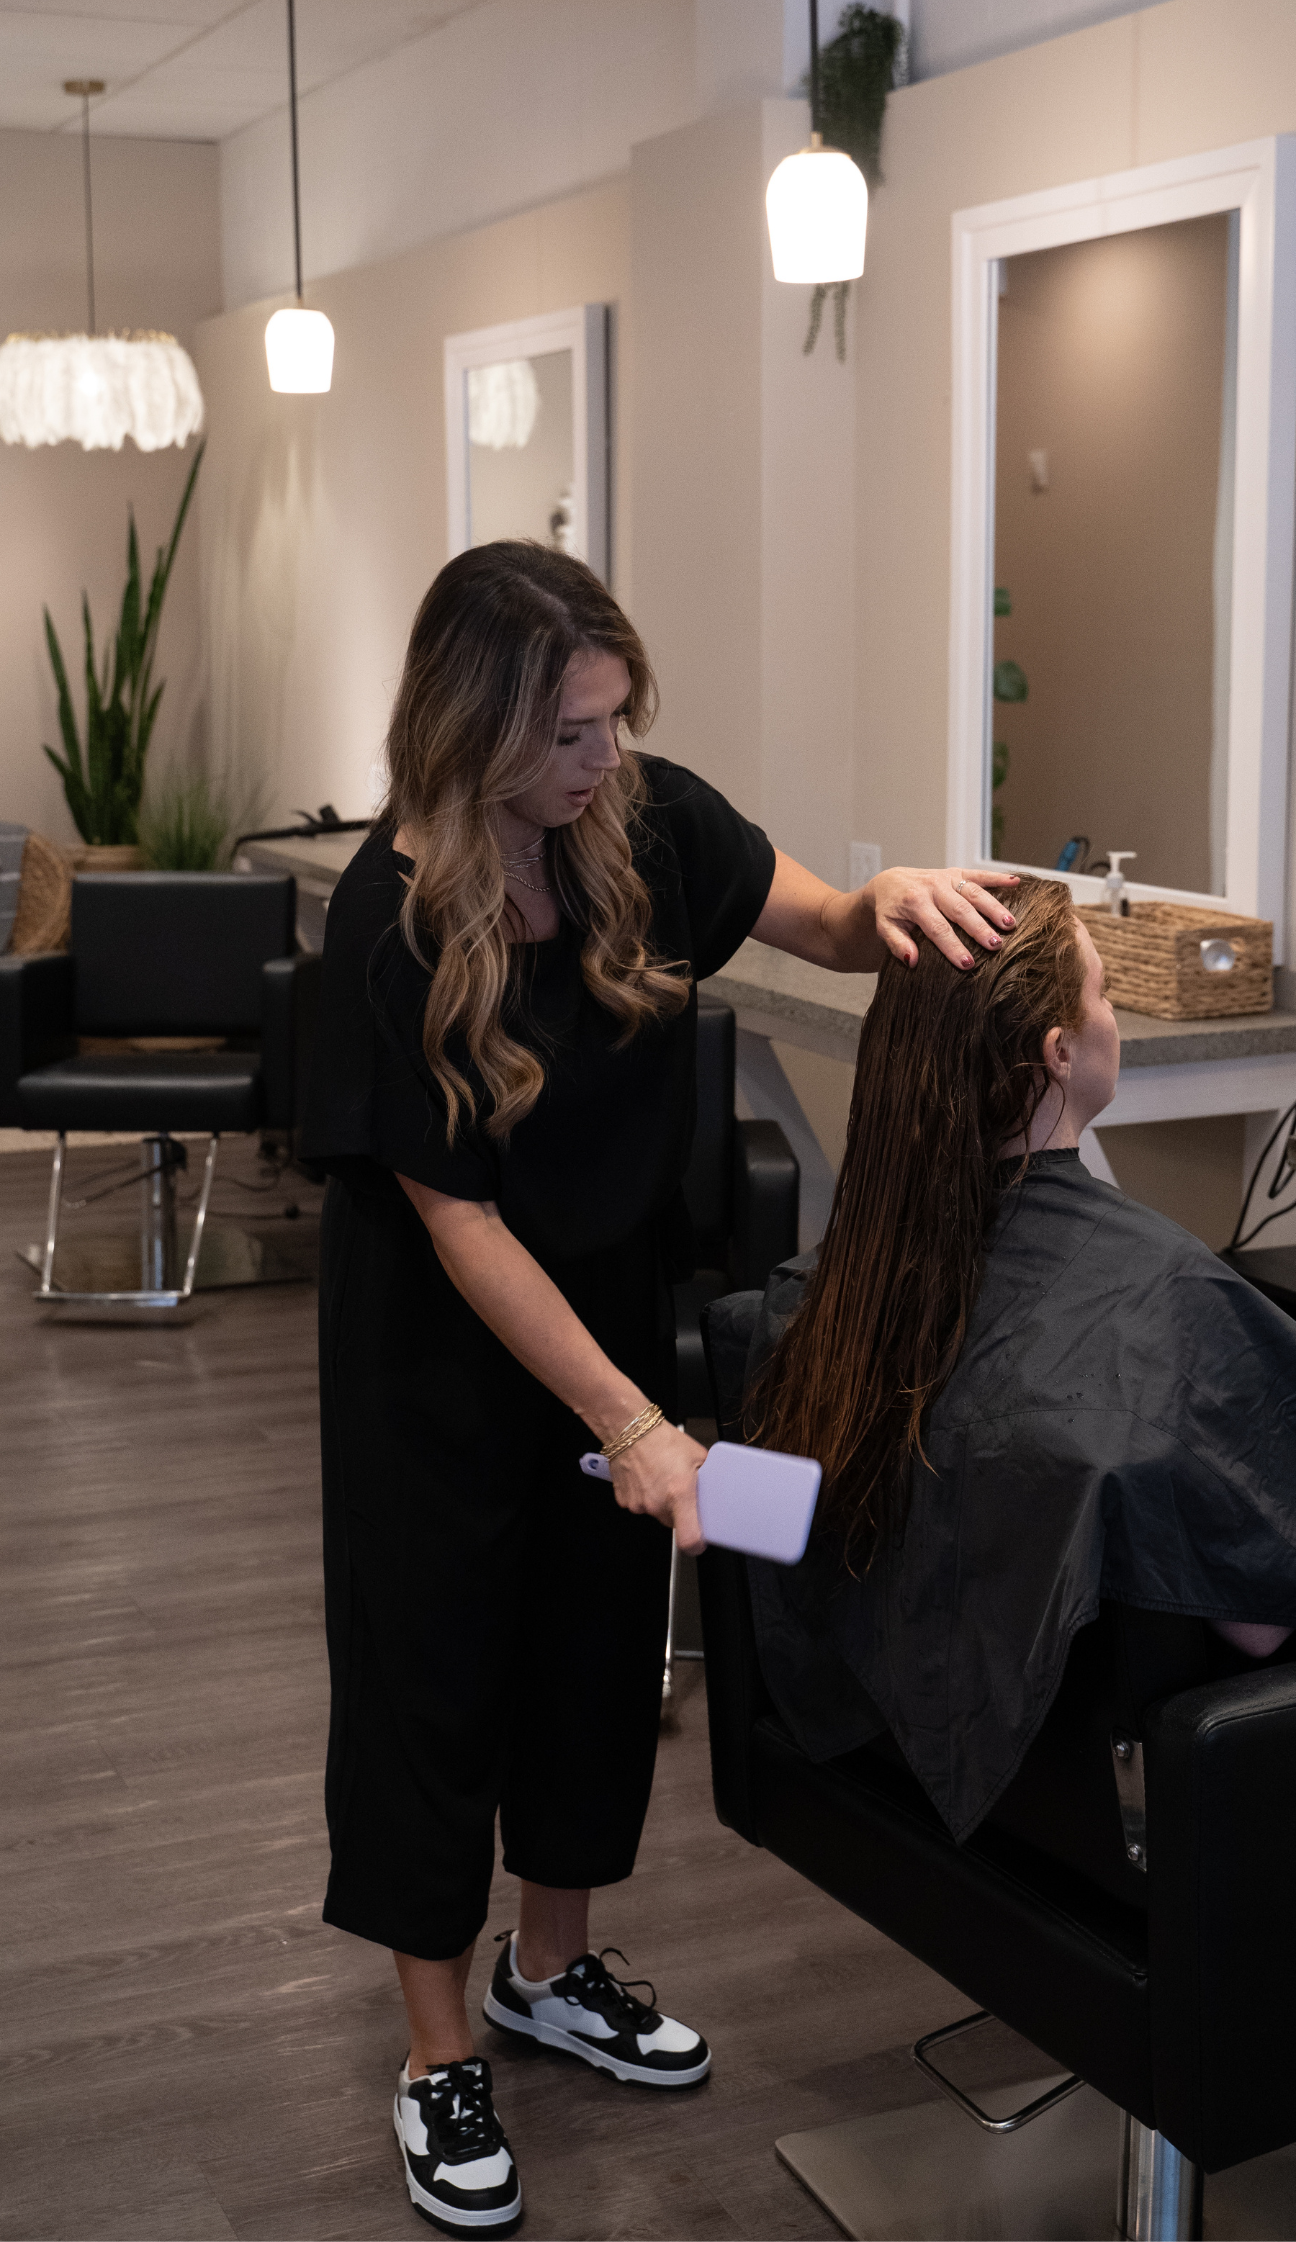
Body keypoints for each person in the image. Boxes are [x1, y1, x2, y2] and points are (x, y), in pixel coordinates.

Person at [299, 538, 1017, 2235]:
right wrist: (624, 1419)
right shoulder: (388, 927)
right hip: (440, 1361)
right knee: (433, 1686)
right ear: (475, 729)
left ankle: (552, 1969)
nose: (603, 756)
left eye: (618, 717)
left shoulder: (646, 822)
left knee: (590, 1660)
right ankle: (435, 2053)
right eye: (568, 731)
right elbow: (457, 1222)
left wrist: (887, 903)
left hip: (608, 1309)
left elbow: (820, 918)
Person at [745, 874, 1296, 1846]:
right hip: (1155, 1807)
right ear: (1059, 1053)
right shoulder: (1169, 1308)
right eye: (1104, 996)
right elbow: (1262, 1616)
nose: (1112, 1017)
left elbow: (773, 1525)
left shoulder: (822, 1297)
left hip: (924, 1784)